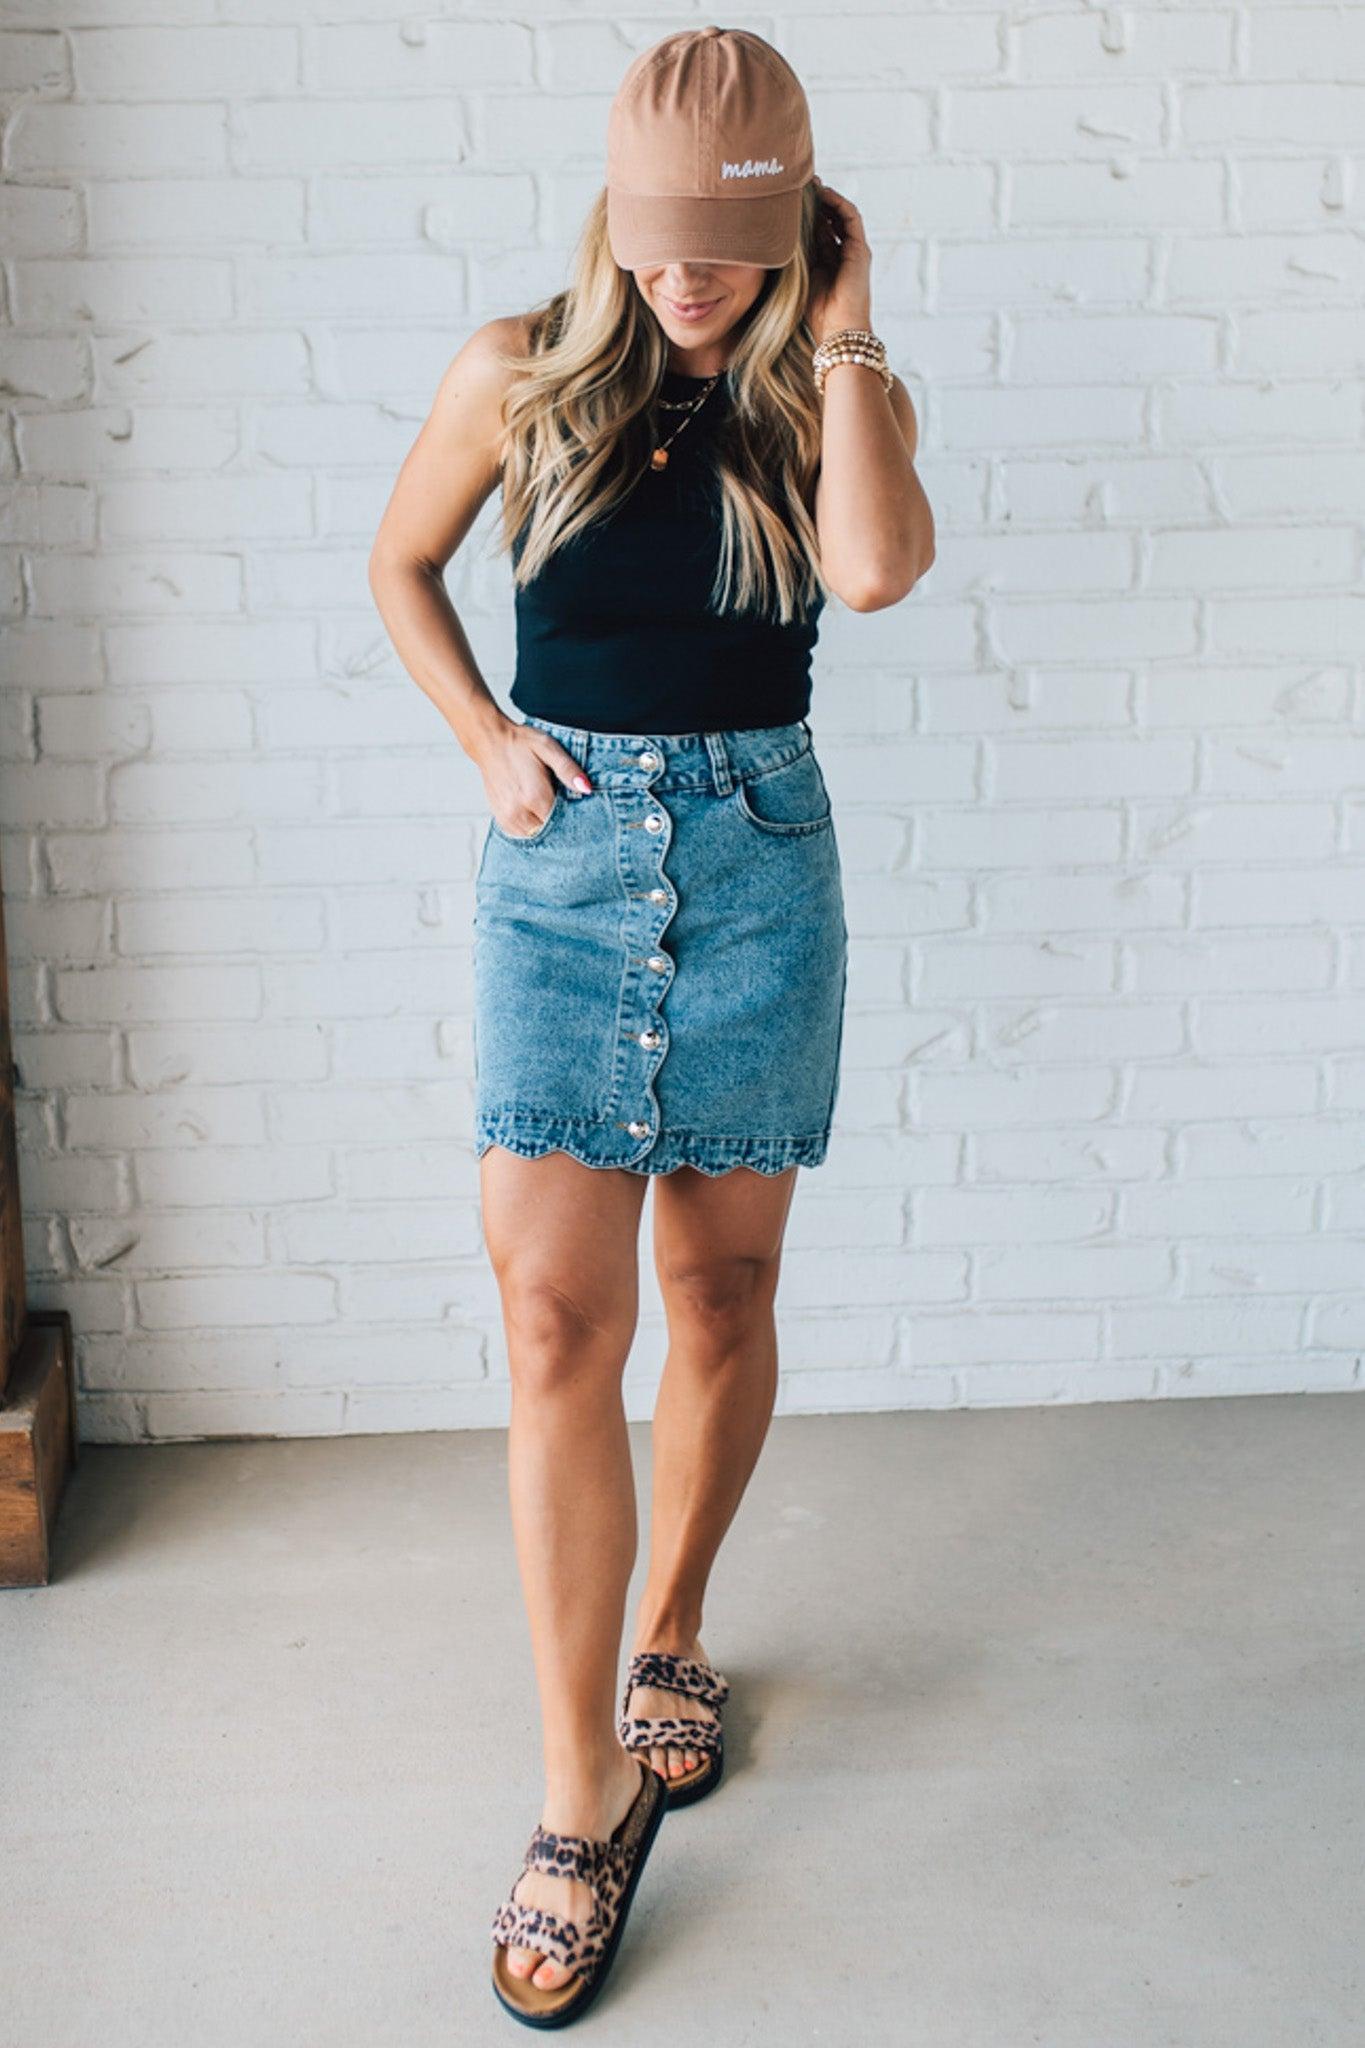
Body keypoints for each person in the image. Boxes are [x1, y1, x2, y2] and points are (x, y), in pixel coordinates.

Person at [369, 24, 934, 2029]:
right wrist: (489, 751)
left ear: (789, 228)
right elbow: (400, 563)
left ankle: (671, 1628)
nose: (686, 275)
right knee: (550, 1327)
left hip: (761, 854)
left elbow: (868, 576)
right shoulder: (516, 363)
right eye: (658, 235)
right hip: (566, 862)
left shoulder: (811, 394)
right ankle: (571, 1791)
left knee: (716, 1299)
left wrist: (845, 319)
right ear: (608, 208)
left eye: (732, 242)